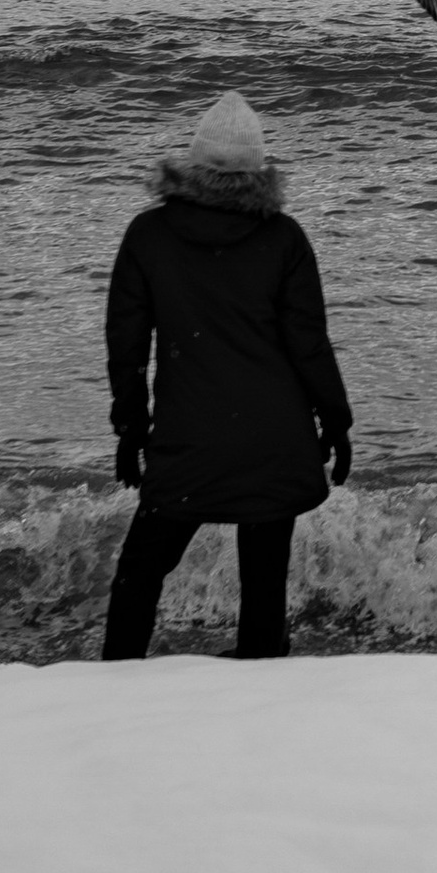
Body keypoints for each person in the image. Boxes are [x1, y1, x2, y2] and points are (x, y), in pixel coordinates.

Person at [102, 92, 353, 660]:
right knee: (264, 581)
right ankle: (260, 682)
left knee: (140, 573)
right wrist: (336, 422)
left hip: (188, 438)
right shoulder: (283, 238)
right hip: (274, 436)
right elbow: (309, 344)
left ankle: (115, 678)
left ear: (194, 162)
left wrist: (131, 428)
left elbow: (126, 345)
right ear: (257, 170)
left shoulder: (149, 234)